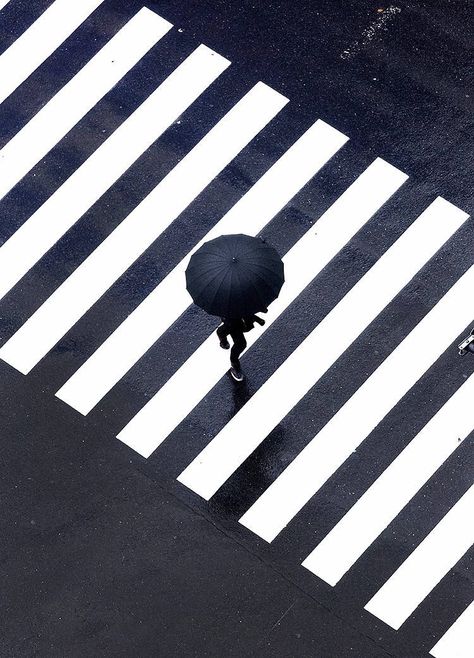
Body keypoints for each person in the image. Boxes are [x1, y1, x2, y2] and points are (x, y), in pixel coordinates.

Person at [216, 310, 267, 381]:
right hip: (236, 323)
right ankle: (235, 366)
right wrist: (258, 320)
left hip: (236, 323)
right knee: (239, 344)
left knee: (239, 345)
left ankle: (235, 367)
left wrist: (257, 320)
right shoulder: (240, 306)